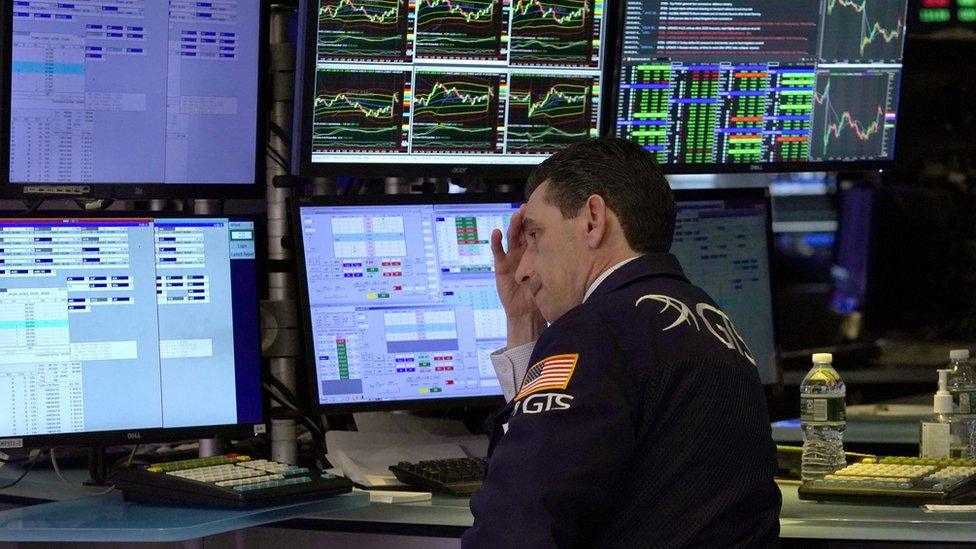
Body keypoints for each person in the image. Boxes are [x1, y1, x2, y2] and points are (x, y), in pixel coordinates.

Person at [462, 138, 782, 547]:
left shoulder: (595, 331)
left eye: (535, 235)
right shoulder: (715, 324)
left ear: (593, 220)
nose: (523, 267)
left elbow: (517, 522)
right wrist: (524, 320)